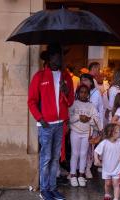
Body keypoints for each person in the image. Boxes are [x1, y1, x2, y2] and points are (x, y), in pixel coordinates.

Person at [28, 44, 74, 200]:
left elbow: (70, 101)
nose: (59, 58)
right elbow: (31, 101)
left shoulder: (66, 77)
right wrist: (40, 118)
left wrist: (66, 91)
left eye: (60, 56)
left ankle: (53, 188)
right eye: (55, 56)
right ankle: (44, 189)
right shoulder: (39, 77)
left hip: (60, 124)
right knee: (46, 158)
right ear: (49, 58)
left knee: (55, 158)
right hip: (46, 125)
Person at [68, 84, 101, 187]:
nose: (83, 94)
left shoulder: (91, 106)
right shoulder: (74, 104)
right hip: (75, 132)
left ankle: (81, 174)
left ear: (88, 94)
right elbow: (69, 118)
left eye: (85, 92)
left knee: (84, 154)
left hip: (86, 133)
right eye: (81, 92)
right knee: (75, 153)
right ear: (77, 93)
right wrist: (79, 117)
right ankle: (73, 174)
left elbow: (96, 120)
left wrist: (88, 119)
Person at [94, 123, 120, 200]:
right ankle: (107, 194)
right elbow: (96, 151)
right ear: (111, 133)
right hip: (107, 167)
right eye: (118, 131)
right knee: (107, 183)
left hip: (117, 167)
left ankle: (116, 198)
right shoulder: (104, 143)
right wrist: (96, 159)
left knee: (116, 183)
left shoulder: (119, 143)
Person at [80, 73, 104, 179]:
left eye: (85, 80)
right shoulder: (79, 92)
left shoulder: (96, 93)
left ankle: (87, 168)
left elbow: (101, 110)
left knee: (90, 147)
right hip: (80, 125)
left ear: (91, 81)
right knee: (81, 148)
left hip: (92, 125)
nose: (83, 82)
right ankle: (79, 169)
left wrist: (100, 126)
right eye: (82, 80)